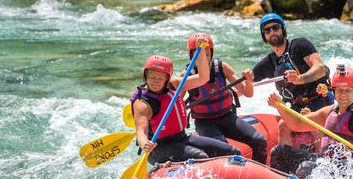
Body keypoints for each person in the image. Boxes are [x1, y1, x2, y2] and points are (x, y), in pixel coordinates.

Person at [266, 65, 353, 174]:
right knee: (279, 152)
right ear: (333, 91)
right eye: (339, 90)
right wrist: (279, 106)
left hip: (352, 169)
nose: (343, 95)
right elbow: (297, 124)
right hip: (327, 162)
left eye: (348, 90)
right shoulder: (329, 112)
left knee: (306, 168)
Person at [131, 40, 240, 166]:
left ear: (167, 78)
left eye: (160, 78)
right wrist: (145, 143)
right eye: (152, 77)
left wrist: (201, 53)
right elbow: (141, 130)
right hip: (158, 147)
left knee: (231, 151)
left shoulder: (175, 84)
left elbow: (203, 78)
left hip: (182, 138)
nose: (156, 81)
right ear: (146, 76)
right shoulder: (142, 103)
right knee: (201, 157)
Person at [252, 13, 332, 169]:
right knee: (283, 126)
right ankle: (285, 167)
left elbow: (320, 68)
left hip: (319, 99)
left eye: (275, 28)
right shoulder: (270, 61)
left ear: (283, 30)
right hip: (296, 105)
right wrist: (244, 78)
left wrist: (300, 78)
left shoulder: (300, 45)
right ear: (264, 37)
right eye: (267, 31)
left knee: (311, 122)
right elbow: (246, 85)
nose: (272, 32)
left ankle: (323, 163)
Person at [184, 32, 268, 164]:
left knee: (260, 141)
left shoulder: (222, 68)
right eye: (197, 53)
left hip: (228, 117)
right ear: (191, 55)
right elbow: (175, 104)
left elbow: (247, 93)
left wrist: (249, 81)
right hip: (205, 123)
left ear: (211, 52)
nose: (202, 57)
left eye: (206, 52)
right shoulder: (186, 76)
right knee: (230, 153)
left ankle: (260, 172)